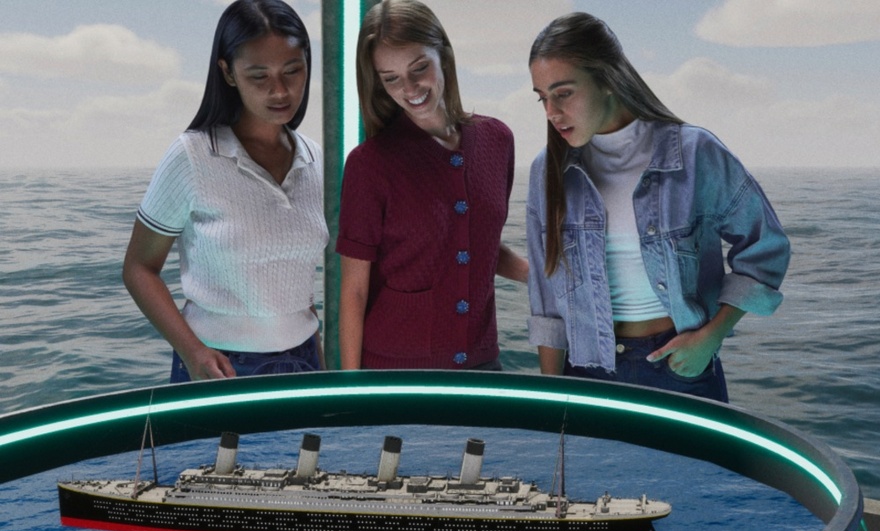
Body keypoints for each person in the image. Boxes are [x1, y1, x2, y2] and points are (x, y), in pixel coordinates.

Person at [526, 13, 790, 402]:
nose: (551, 112)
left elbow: (765, 248)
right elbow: (546, 301)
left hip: (681, 368)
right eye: (542, 98)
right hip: (585, 377)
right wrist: (553, 398)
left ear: (608, 79)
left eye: (563, 93)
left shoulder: (695, 153)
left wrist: (709, 337)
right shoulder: (547, 171)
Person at [122, 0, 328, 383]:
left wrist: (319, 354)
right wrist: (192, 351)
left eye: (293, 71)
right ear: (228, 73)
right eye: (259, 76)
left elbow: (296, 279)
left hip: (305, 361)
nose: (280, 90)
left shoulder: (317, 160)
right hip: (219, 365)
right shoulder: (193, 155)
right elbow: (138, 268)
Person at [336, 0, 528, 371]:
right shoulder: (368, 164)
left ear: (444, 56)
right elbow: (354, 291)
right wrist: (352, 391)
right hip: (393, 370)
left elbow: (477, 240)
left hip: (482, 362)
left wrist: (540, 279)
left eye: (419, 68)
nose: (409, 89)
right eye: (390, 78)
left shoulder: (497, 140)